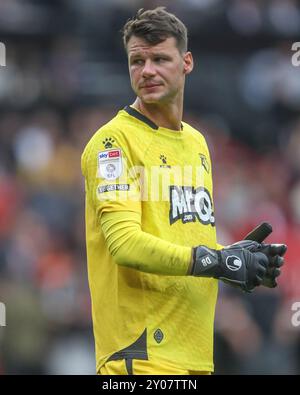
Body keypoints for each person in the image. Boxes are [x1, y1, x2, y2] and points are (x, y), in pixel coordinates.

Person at [81, 7, 287, 375]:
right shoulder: (113, 143)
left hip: (195, 354)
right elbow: (125, 245)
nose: (147, 71)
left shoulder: (197, 143)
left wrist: (236, 260)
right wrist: (217, 260)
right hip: (139, 359)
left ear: (187, 62)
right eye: (137, 61)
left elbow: (186, 239)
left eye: (160, 58)